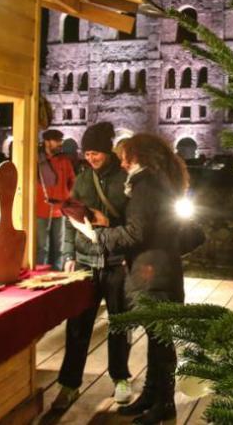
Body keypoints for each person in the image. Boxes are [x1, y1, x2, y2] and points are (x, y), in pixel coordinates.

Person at [70, 133, 188, 424]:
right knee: (155, 335)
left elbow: (136, 233)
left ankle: (164, 403)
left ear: (140, 157)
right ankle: (151, 395)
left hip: (153, 272)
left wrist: (96, 235)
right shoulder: (156, 180)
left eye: (126, 157)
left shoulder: (146, 183)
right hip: (158, 267)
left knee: (160, 339)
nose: (121, 163)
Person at [51, 122, 133, 409]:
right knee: (77, 326)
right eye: (87, 153)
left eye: (95, 152)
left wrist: (110, 223)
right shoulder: (83, 179)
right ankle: (69, 384)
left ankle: (121, 378)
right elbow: (70, 217)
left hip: (115, 262)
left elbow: (135, 223)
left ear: (108, 151)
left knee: (119, 323)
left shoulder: (125, 180)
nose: (90, 157)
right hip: (86, 261)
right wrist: (68, 254)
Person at [36, 129, 75, 269]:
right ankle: (40, 276)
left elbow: (72, 181)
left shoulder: (64, 160)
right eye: (57, 140)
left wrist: (66, 197)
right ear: (47, 141)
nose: (60, 143)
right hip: (40, 210)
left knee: (59, 249)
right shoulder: (36, 159)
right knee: (42, 249)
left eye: (60, 140)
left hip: (60, 210)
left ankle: (57, 278)